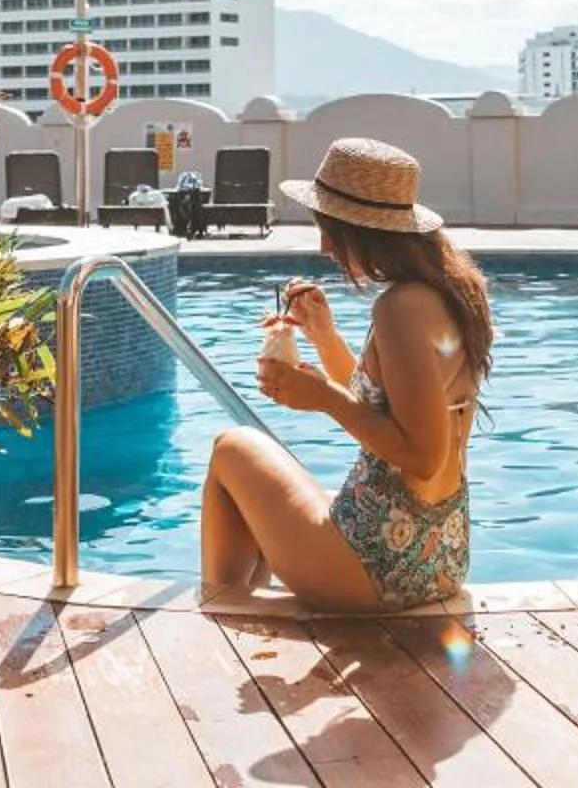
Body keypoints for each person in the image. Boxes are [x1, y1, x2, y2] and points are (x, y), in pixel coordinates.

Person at [199, 137, 490, 609]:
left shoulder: (397, 309)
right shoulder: (449, 295)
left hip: (374, 568)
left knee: (231, 447)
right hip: (440, 558)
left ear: (361, 229)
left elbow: (421, 454)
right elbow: (395, 407)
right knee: (279, 475)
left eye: (329, 230)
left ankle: (220, 607)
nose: (324, 246)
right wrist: (324, 337)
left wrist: (324, 397)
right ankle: (236, 596)